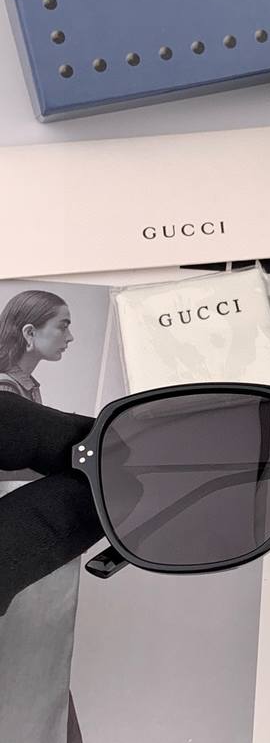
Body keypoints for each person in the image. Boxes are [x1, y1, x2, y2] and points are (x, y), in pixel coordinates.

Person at [0, 290, 83, 743]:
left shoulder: (23, 388)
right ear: (30, 332)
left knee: (43, 679)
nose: (70, 337)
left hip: (34, 554)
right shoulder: (5, 391)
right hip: (21, 551)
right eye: (63, 325)